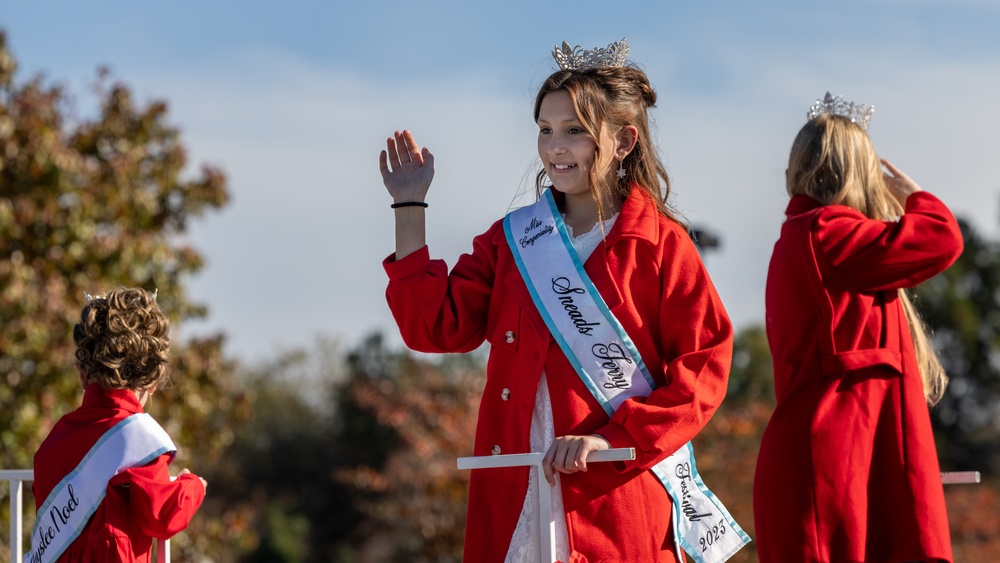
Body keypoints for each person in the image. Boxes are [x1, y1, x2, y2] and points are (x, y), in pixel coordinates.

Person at [380, 39, 746, 563]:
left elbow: (704, 370)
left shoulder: (662, 245)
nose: (555, 147)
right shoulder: (514, 239)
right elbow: (436, 328)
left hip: (612, 491)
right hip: (519, 488)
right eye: (545, 131)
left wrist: (616, 437)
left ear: (623, 141)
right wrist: (408, 206)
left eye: (574, 131)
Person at [753, 93, 962, 562]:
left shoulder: (805, 237)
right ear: (859, 171)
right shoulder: (829, 232)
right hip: (837, 458)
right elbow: (941, 239)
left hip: (835, 453)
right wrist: (913, 197)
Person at [28, 287, 207, 563]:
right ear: (154, 380)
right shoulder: (138, 438)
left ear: (82, 374)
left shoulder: (56, 438)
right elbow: (163, 514)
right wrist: (193, 485)